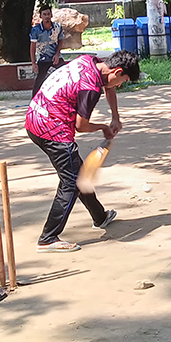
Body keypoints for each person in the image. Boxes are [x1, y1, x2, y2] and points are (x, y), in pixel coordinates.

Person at [26, 51, 140, 252]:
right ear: (118, 71)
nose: (121, 85)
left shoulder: (92, 62)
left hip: (35, 117)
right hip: (51, 129)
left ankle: (100, 217)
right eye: (123, 80)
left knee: (79, 174)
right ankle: (48, 238)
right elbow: (81, 125)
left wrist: (115, 116)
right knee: (72, 182)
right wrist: (104, 127)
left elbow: (109, 86)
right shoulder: (90, 88)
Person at [29, 4, 66, 96]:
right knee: (39, 80)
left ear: (51, 15)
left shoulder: (57, 27)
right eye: (44, 14)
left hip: (55, 56)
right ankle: (34, 100)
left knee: (65, 74)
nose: (47, 17)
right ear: (41, 16)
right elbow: (32, 46)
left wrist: (57, 54)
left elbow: (60, 40)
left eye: (48, 14)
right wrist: (33, 63)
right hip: (43, 58)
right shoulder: (36, 30)